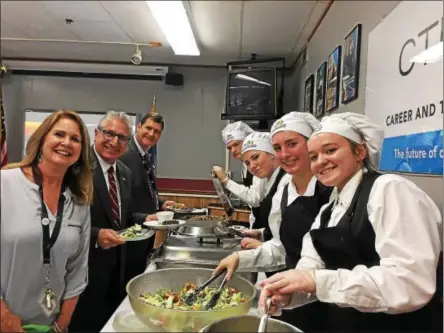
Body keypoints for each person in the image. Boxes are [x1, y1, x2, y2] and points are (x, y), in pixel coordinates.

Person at [259, 113, 443, 333]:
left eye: (330, 150)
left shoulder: (389, 189)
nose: (321, 161)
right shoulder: (329, 209)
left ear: (360, 151)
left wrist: (317, 280)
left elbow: (410, 283)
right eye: (314, 156)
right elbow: (311, 264)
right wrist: (289, 292)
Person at [215, 112, 332, 333]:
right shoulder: (286, 189)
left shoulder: (330, 191)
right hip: (295, 292)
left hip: (329, 299)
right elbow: (282, 246)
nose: (285, 154)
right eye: (279, 148)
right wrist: (240, 258)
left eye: (292, 144)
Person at [1, 110, 93, 333]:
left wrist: (61, 325)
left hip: (50, 325)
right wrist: (4, 317)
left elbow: (77, 269)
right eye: (59, 134)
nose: (66, 143)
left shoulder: (79, 200)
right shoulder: (5, 184)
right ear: (42, 139)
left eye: (75, 139)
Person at [70, 111, 153, 332]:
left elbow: (124, 217)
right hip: (85, 274)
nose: (114, 142)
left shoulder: (123, 171)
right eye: (109, 134)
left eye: (122, 137)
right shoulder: (76, 168)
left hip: (118, 270)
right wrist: (97, 236)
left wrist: (146, 218)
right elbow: (66, 223)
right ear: (96, 134)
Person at [119, 112, 175, 285]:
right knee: (129, 280)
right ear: (138, 127)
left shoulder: (145, 154)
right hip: (131, 231)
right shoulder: (126, 153)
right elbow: (124, 198)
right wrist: (142, 217)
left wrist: (160, 203)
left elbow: (142, 189)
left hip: (145, 230)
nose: (151, 134)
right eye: (148, 128)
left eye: (156, 131)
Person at [213, 121, 269, 244]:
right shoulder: (245, 165)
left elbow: (254, 198)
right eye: (229, 147)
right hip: (258, 222)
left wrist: (225, 180)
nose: (233, 150)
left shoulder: (259, 166)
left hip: (267, 224)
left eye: (236, 144)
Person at [234, 131, 289, 250]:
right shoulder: (269, 181)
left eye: (256, 157)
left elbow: (294, 237)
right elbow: (279, 228)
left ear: (272, 154)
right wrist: (262, 233)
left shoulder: (286, 182)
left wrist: (263, 246)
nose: (252, 166)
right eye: (247, 163)